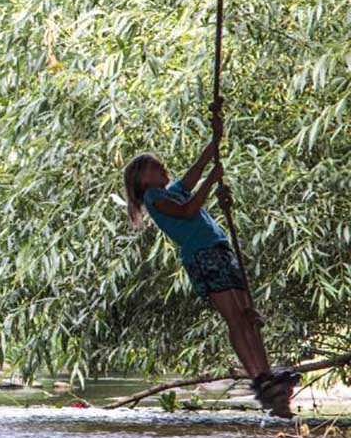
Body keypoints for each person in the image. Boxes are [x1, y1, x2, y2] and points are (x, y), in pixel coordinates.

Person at [123, 131, 298, 417]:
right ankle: (260, 378)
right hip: (204, 256)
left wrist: (216, 138)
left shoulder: (173, 191)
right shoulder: (155, 198)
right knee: (236, 318)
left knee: (247, 316)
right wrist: (213, 180)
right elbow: (189, 211)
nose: (164, 167)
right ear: (143, 180)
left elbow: (200, 166)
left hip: (218, 251)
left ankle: (266, 377)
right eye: (156, 167)